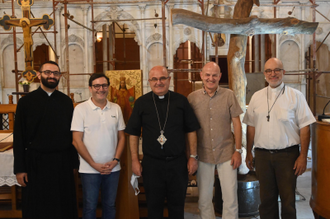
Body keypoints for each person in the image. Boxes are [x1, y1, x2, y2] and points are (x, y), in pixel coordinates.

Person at [243, 57, 316, 219]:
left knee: (288, 201)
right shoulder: (256, 97)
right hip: (262, 156)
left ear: (283, 72)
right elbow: (251, 127)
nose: (273, 74)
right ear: (264, 74)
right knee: (266, 201)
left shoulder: (296, 96)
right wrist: (248, 151)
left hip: (287, 156)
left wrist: (303, 156)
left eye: (276, 70)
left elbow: (305, 127)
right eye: (269, 71)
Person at [125, 66, 200, 219]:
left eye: (162, 78)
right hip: (152, 164)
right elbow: (133, 133)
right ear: (149, 81)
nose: (158, 82)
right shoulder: (141, 103)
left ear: (169, 80)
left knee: (177, 207)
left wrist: (193, 156)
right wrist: (134, 160)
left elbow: (191, 130)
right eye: (154, 79)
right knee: (154, 208)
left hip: (177, 164)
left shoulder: (181, 101)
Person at [13, 60, 79, 219]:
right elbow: (19, 137)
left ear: (59, 76)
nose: (52, 76)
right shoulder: (26, 102)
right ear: (39, 75)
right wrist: (20, 169)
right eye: (48, 72)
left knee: (62, 205)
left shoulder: (66, 102)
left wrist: (74, 164)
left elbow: (72, 135)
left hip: (61, 163)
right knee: (37, 207)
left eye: (55, 73)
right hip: (36, 163)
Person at [187, 62, 243, 219]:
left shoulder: (229, 95)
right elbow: (188, 128)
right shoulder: (192, 98)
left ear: (220, 76)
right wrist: (191, 155)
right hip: (202, 154)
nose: (210, 78)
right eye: (207, 75)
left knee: (230, 199)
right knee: (204, 199)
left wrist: (238, 151)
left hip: (226, 153)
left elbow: (237, 124)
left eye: (214, 75)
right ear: (201, 75)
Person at [71, 73, 125, 219]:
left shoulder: (116, 108)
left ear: (108, 88)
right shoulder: (80, 109)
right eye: (97, 86)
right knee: (89, 206)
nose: (101, 89)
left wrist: (115, 160)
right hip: (89, 169)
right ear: (90, 88)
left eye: (104, 85)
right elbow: (77, 141)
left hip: (113, 168)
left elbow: (121, 137)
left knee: (110, 206)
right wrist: (93, 164)